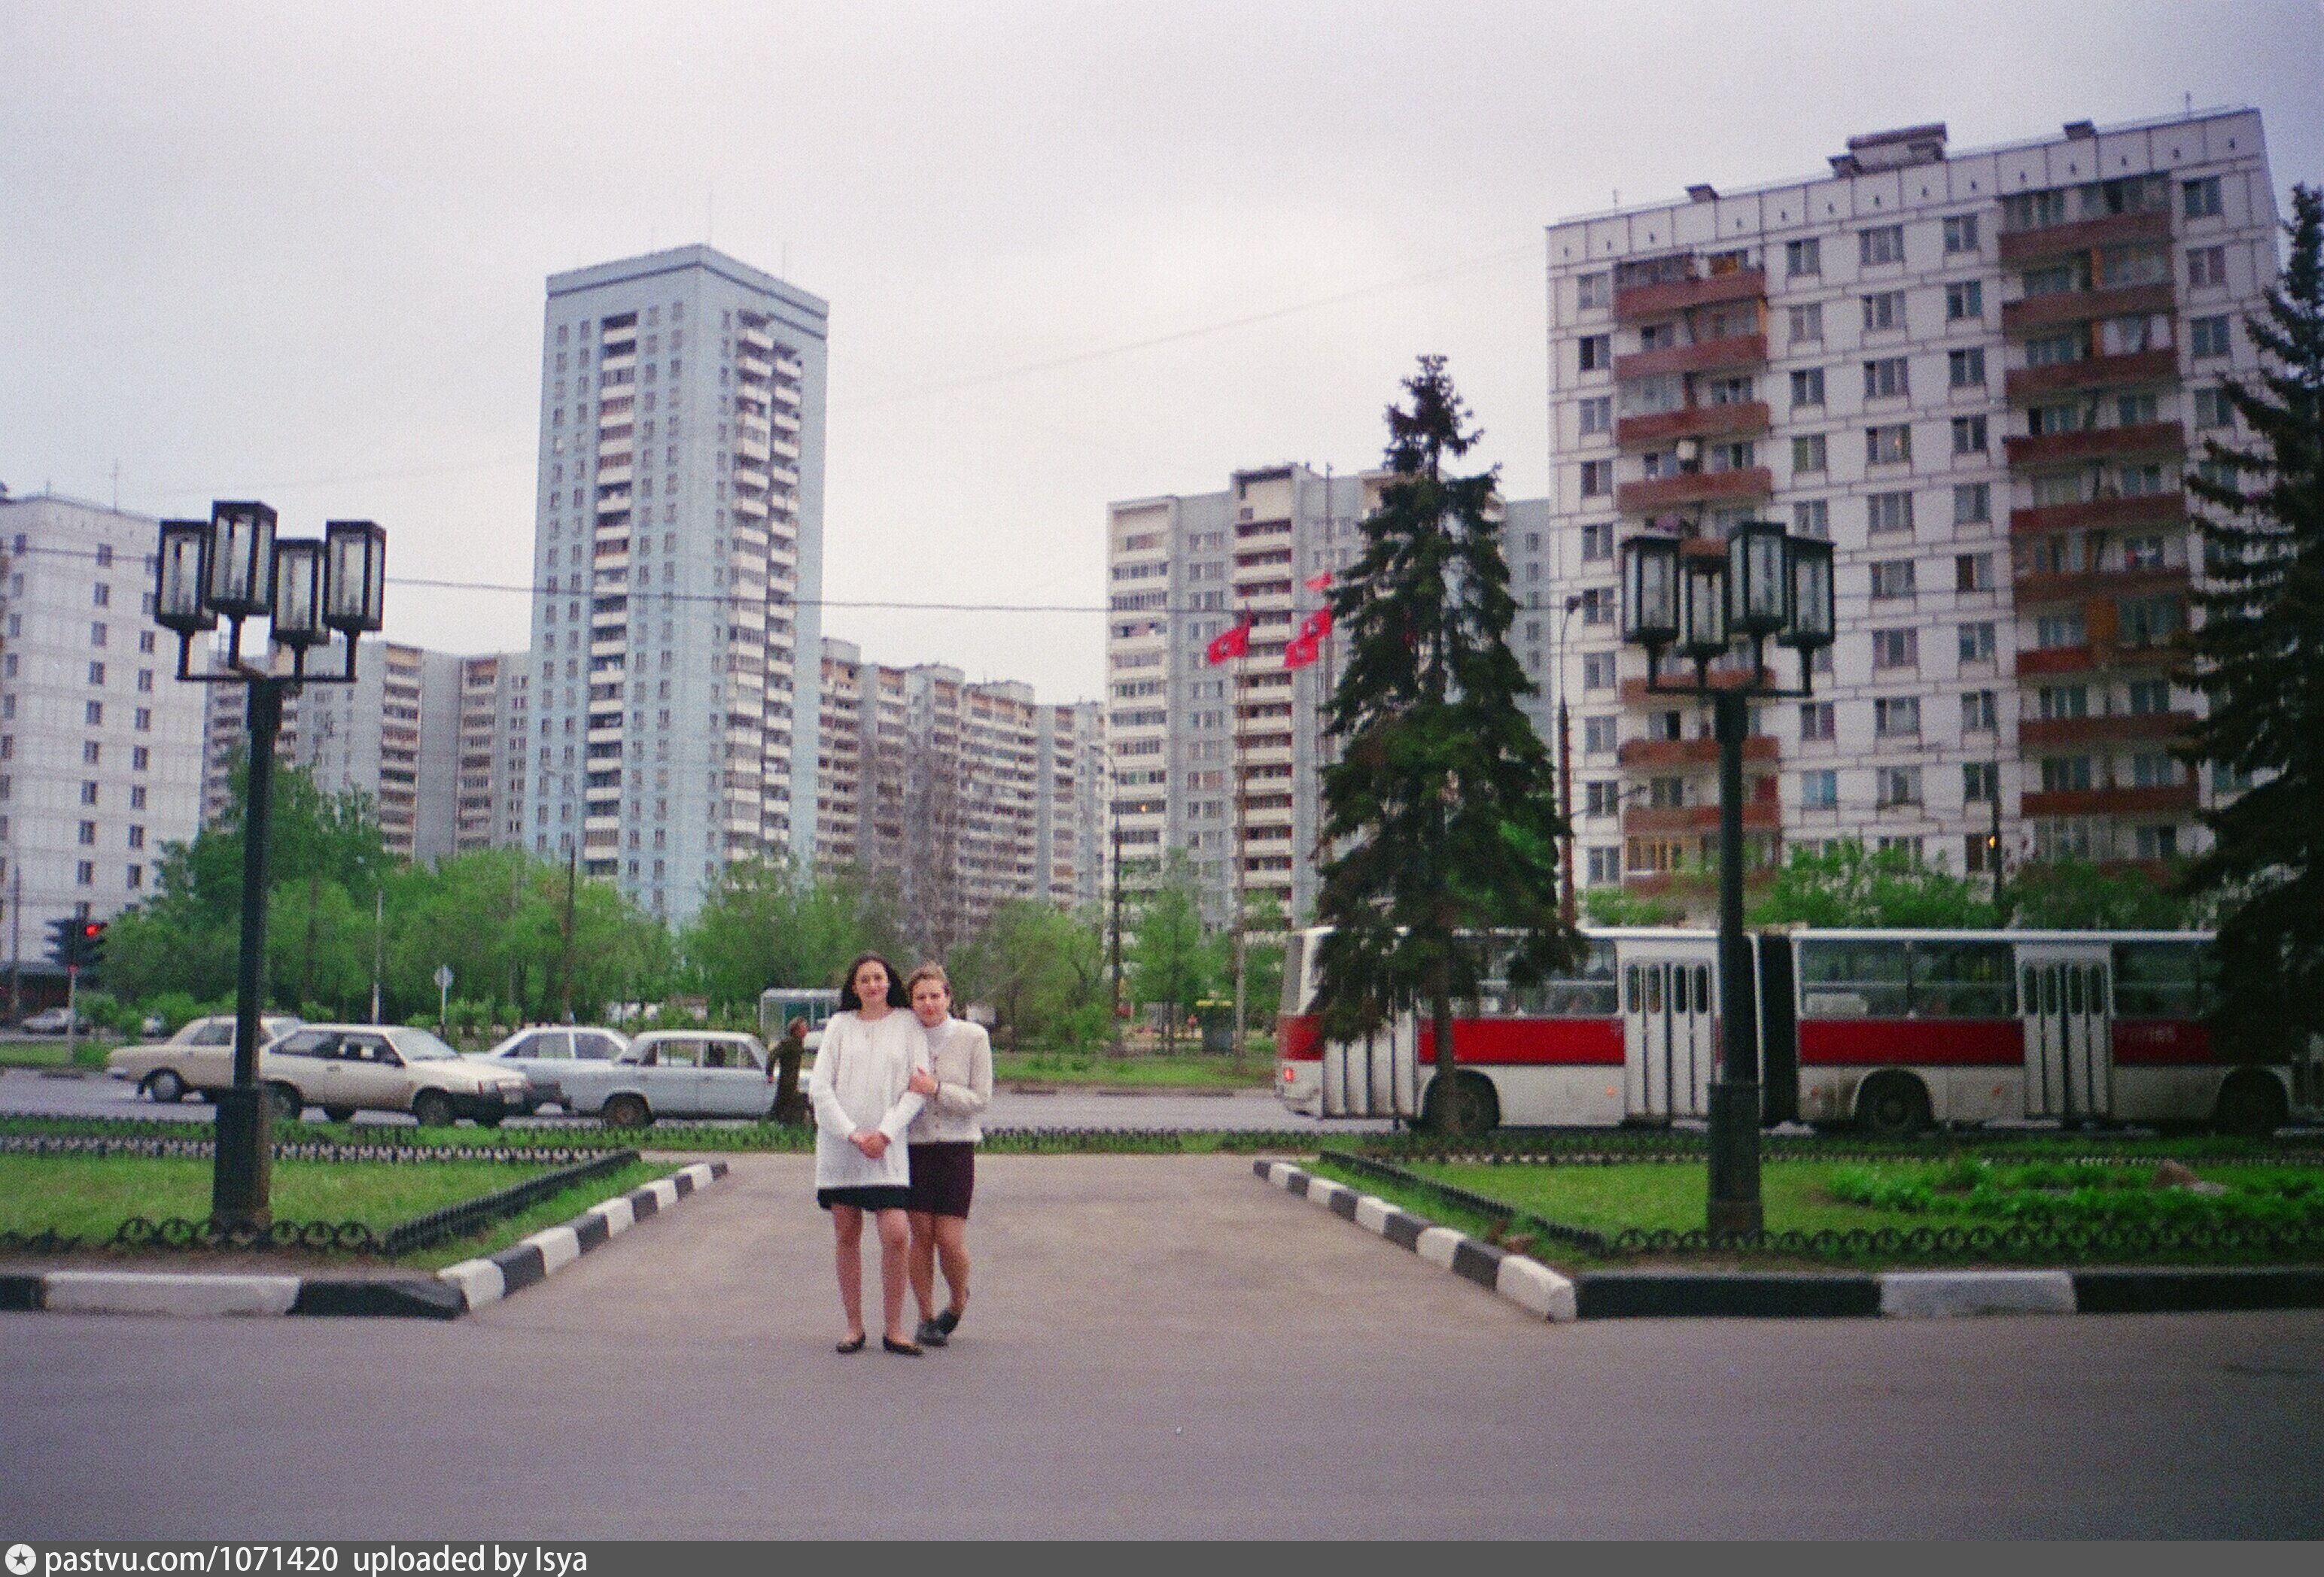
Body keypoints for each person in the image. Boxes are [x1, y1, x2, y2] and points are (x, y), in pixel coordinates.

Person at [808, 953, 935, 1355]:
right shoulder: (839, 1027)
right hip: (841, 1152)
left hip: (888, 1151)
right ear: (853, 987)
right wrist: (852, 1135)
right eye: (864, 980)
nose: (873, 985)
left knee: (896, 1234)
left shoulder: (907, 1024)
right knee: (847, 1235)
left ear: (889, 981)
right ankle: (853, 1327)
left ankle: (895, 1329)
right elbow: (820, 1089)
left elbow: (917, 1088)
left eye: (879, 977)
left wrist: (884, 1133)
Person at [902, 962, 993, 1348]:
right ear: (911, 1003)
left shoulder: (973, 1037)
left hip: (956, 1151)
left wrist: (936, 1088)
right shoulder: (903, 1038)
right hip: (915, 1149)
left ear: (949, 998)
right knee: (920, 1236)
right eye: (920, 997)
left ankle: (956, 1302)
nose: (928, 1004)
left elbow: (980, 1099)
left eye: (935, 996)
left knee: (950, 1240)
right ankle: (924, 1316)